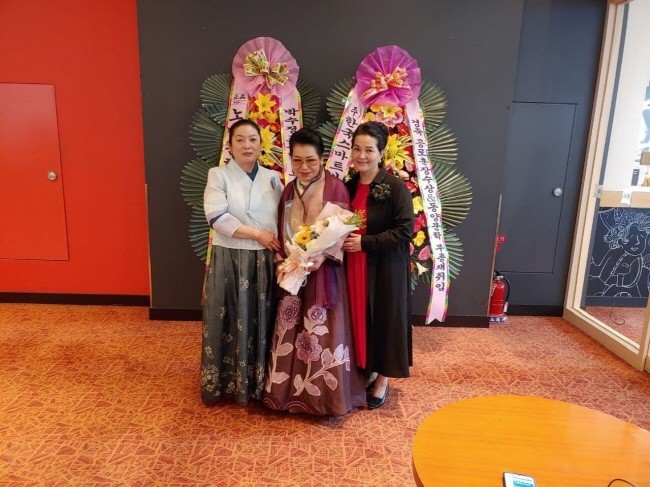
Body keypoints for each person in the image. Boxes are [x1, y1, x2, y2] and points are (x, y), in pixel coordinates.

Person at [263, 128, 365, 415]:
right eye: (297, 160)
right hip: (294, 269)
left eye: (310, 160)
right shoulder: (288, 189)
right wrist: (287, 259)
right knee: (291, 325)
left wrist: (321, 256)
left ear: (322, 158)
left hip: (323, 271)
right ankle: (286, 392)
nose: (304, 167)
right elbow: (282, 227)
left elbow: (342, 232)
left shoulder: (336, 188)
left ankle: (323, 399)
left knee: (322, 330)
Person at [201, 118, 283, 406]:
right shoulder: (218, 175)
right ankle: (226, 383)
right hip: (230, 257)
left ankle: (260, 385)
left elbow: (283, 217)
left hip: (265, 259)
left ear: (261, 144)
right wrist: (257, 234)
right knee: (227, 317)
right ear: (230, 145)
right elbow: (216, 217)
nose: (247, 145)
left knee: (263, 318)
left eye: (253, 139)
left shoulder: (273, 178)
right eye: (240, 140)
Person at [343, 121, 414, 409]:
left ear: (381, 153)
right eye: (357, 148)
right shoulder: (348, 186)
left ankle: (382, 380)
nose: (362, 155)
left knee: (385, 319)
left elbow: (404, 230)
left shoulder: (394, 187)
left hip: (385, 267)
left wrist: (365, 242)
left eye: (369, 150)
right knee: (360, 319)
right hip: (354, 266)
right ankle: (367, 369)